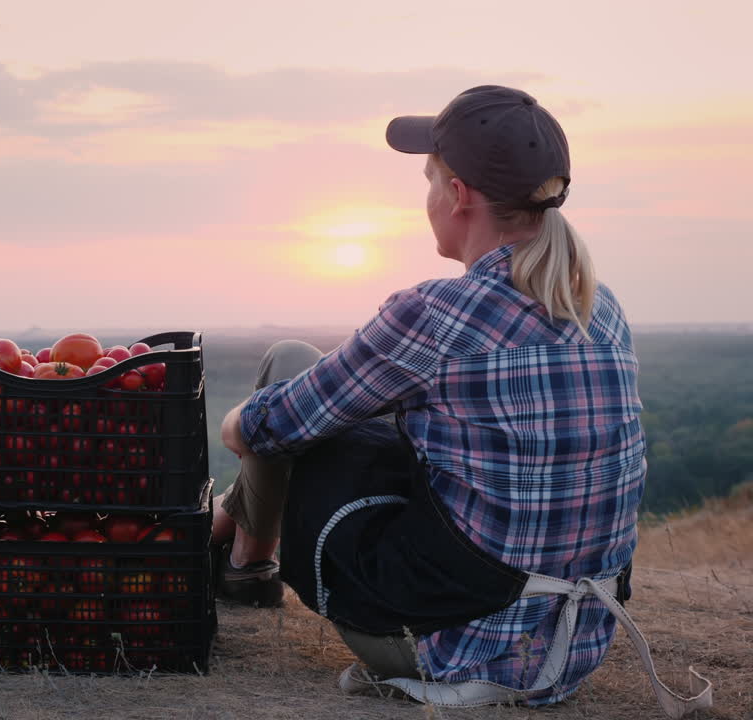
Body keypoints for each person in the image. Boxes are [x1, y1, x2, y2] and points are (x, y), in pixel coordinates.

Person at [210, 85, 711, 718]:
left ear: (458, 195)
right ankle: (239, 556)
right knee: (361, 415)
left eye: (430, 180)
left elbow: (262, 430)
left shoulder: (437, 315)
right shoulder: (597, 305)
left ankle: (243, 564)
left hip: (449, 649)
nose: (425, 199)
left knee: (291, 372)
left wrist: (239, 423)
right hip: (569, 648)